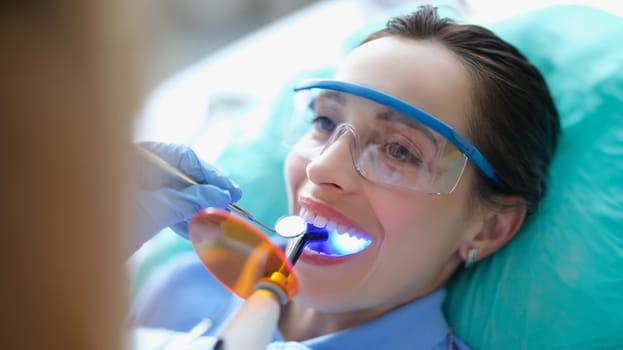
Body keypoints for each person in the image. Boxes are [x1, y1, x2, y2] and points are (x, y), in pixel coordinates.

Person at [132, 5, 560, 349]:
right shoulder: (179, 288)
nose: (322, 168)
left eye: (399, 150)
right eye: (323, 122)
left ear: (489, 227)